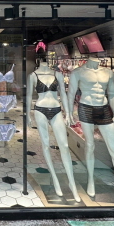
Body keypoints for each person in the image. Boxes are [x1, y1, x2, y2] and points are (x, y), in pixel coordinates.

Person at [67, 56, 114, 206]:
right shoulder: (78, 72)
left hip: (104, 109)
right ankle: (90, 180)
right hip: (86, 108)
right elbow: (71, 93)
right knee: (90, 145)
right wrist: (69, 113)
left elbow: (112, 93)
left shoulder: (108, 72)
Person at [26, 50, 81, 202]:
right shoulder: (33, 76)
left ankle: (72, 183)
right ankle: (55, 179)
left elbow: (63, 94)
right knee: (46, 145)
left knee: (64, 146)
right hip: (40, 110)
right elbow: (29, 96)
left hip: (56, 110)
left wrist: (68, 113)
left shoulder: (58, 74)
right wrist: (27, 115)